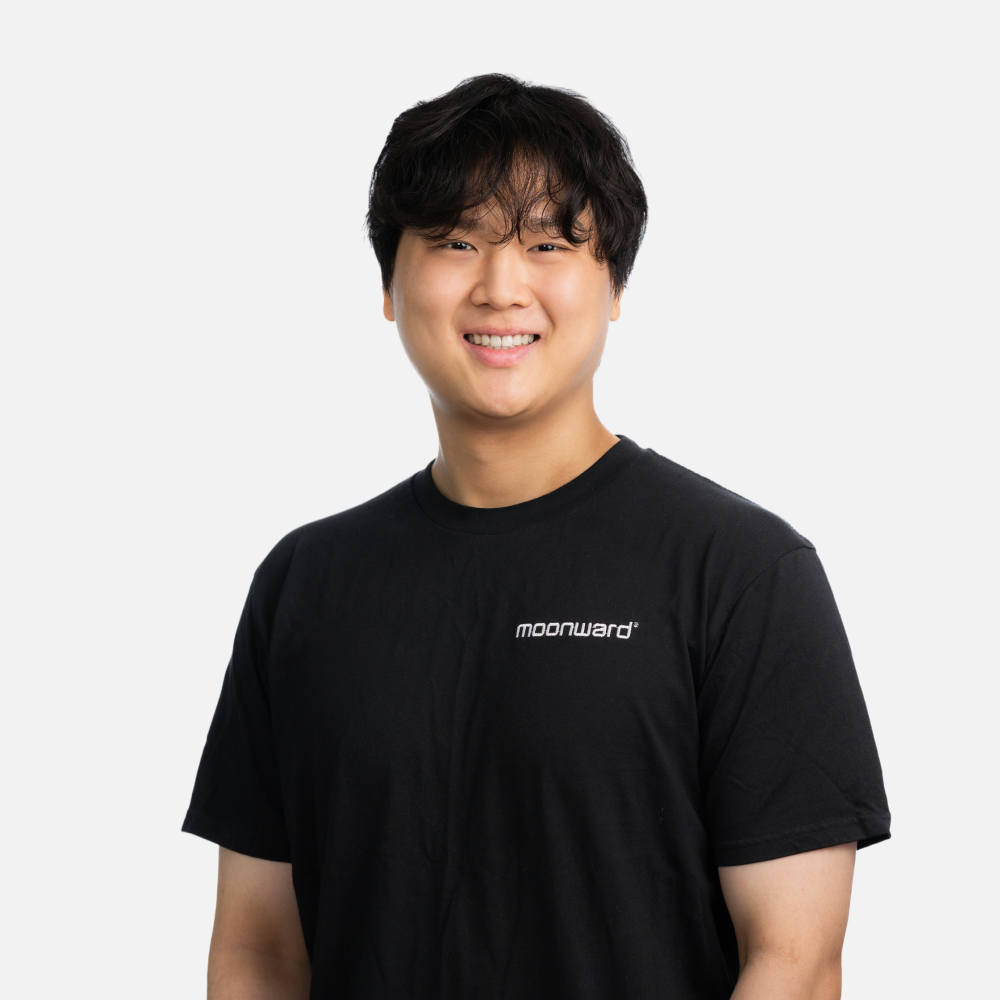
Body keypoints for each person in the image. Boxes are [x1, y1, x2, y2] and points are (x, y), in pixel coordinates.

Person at [183, 73, 890, 1000]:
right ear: (390, 285)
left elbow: (794, 962)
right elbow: (259, 951)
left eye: (548, 244)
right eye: (456, 241)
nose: (500, 287)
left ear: (615, 284)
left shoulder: (741, 572)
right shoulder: (305, 584)